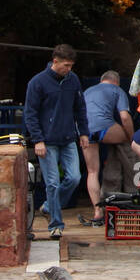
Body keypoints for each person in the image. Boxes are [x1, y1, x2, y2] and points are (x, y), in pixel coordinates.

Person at [23, 44, 90, 240]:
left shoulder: (73, 80)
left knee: (75, 178)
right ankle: (56, 224)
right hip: (47, 140)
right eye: (66, 65)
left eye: (71, 66)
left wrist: (83, 132)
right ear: (55, 62)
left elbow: (80, 107)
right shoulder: (38, 82)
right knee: (52, 183)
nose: (68, 69)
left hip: (68, 137)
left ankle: (49, 206)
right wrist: (37, 140)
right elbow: (31, 113)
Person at [79, 70, 135, 226]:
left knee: (92, 171)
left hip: (84, 131)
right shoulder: (117, 90)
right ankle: (131, 187)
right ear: (116, 81)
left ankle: (98, 212)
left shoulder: (88, 90)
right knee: (125, 140)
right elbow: (124, 117)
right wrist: (132, 138)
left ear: (102, 80)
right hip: (104, 127)